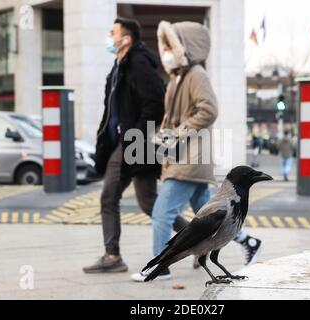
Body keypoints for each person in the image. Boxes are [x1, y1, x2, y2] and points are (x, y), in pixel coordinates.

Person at [131, 21, 263, 282]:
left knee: (162, 212)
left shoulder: (196, 75)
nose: (165, 51)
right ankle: (247, 241)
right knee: (212, 215)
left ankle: (161, 266)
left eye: (170, 45)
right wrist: (162, 137)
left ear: (185, 47)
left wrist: (177, 132)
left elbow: (209, 110)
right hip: (182, 157)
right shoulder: (179, 77)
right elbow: (174, 118)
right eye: (164, 45)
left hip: (190, 158)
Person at [83, 18, 189, 274]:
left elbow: (155, 102)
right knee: (149, 203)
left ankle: (112, 255)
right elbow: (111, 111)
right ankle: (197, 238)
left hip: (136, 142)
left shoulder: (138, 63)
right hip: (131, 142)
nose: (109, 36)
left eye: (113, 32)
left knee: (109, 195)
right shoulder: (119, 66)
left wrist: (134, 136)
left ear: (126, 39)